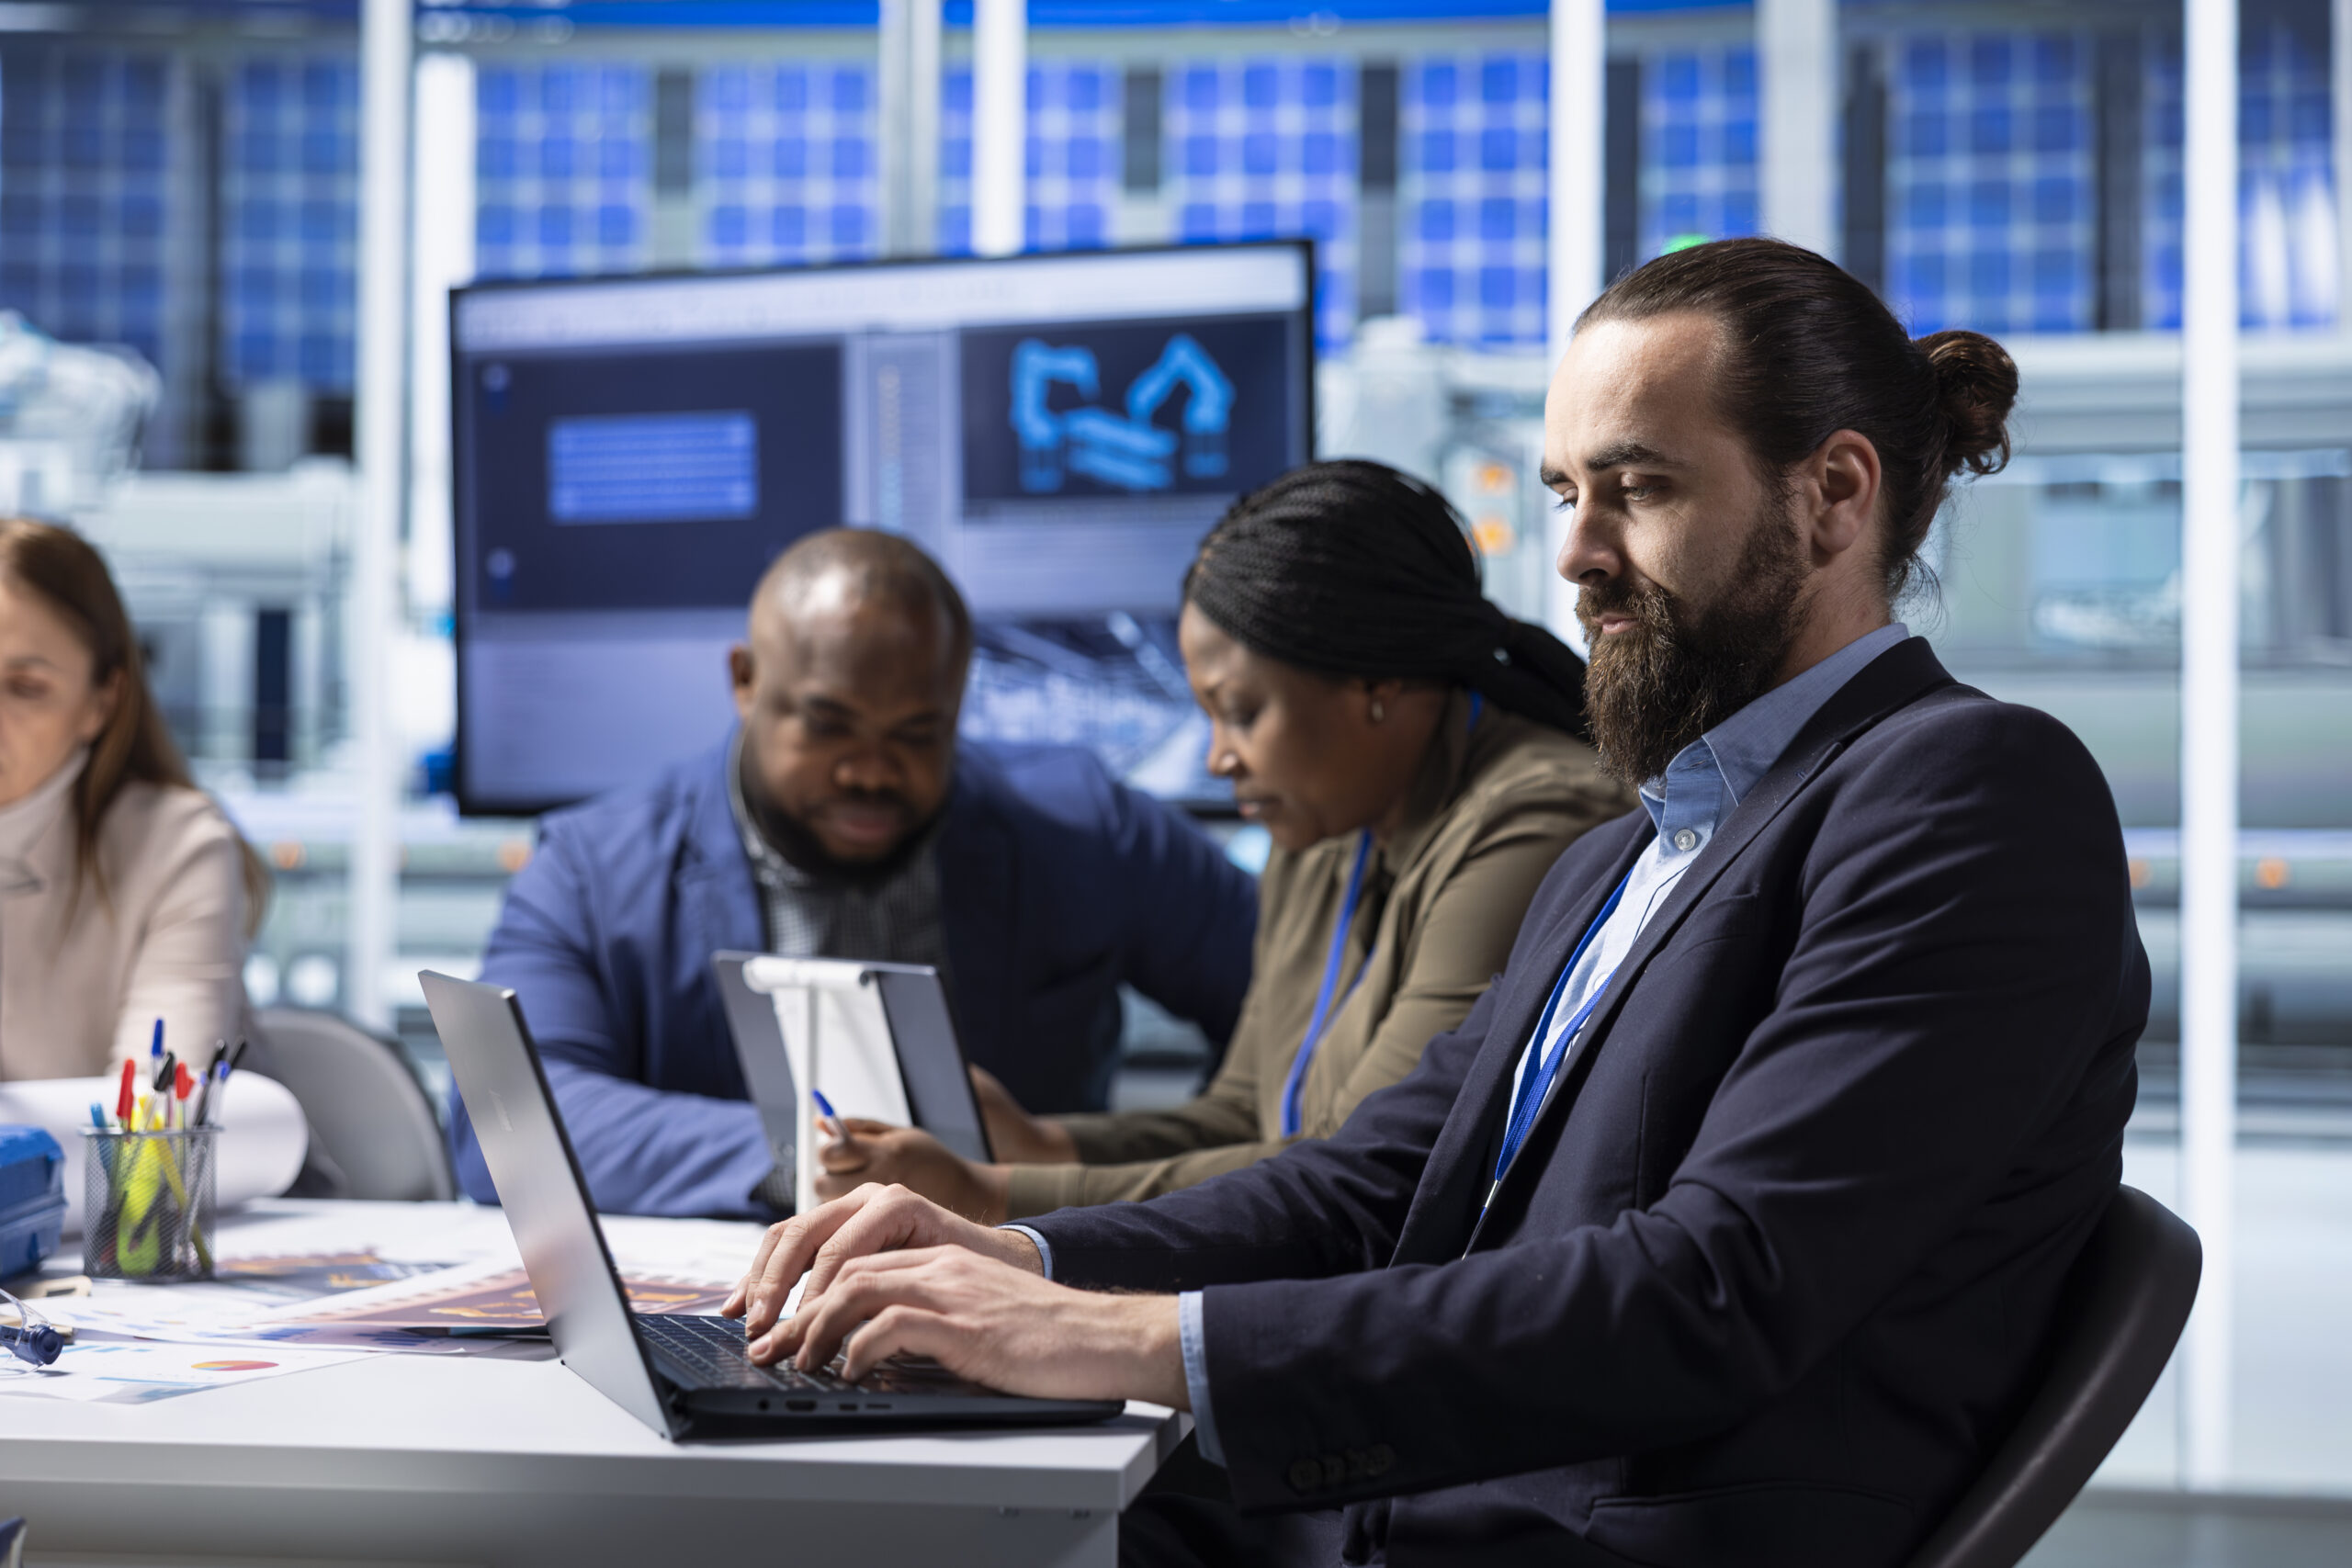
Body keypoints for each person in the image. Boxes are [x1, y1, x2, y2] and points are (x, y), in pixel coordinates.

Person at [723, 238, 2148, 1568]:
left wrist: (1113, 1336)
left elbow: (1715, 1286)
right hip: (1422, 1504)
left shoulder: (1965, 792)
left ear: (1833, 493)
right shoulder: (1620, 856)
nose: (1578, 554)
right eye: (1562, 494)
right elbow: (1372, 1182)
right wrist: (1013, 1253)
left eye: (1639, 488)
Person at [815, 461, 1632, 1224]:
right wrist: (1044, 1146)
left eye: (1241, 712)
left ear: (1378, 683)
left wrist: (998, 1194)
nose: (1217, 758)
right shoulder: (1324, 819)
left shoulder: (1533, 828)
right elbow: (1247, 1109)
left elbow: (1370, 1169)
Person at [447, 528, 1257, 1219]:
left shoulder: (1085, 827)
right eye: (829, 725)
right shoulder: (593, 867)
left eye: (916, 733)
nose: (871, 771)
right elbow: (503, 1125)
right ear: (745, 680)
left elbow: (1296, 1021)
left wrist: (1152, 1194)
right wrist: (818, 1156)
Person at [0, 519, 266, 1081]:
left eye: (26, 688)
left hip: (194, 1173)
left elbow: (151, 1146)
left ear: (102, 701)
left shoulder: (179, 848)